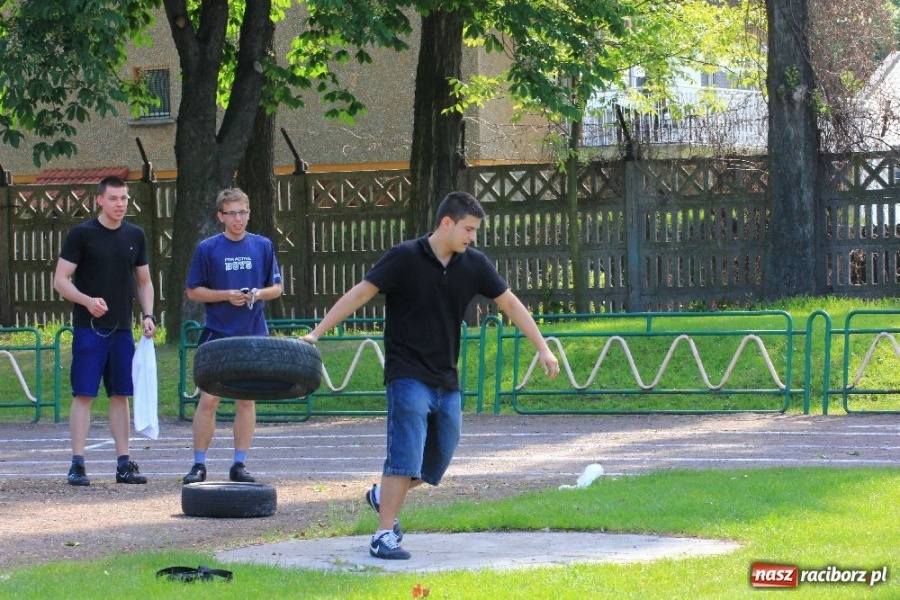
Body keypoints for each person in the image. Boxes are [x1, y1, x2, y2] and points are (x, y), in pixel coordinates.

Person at [301, 191, 560, 560]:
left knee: (437, 460)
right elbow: (359, 294)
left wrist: (542, 347)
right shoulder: (404, 257)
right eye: (469, 229)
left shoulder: (474, 264)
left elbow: (510, 303)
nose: (473, 237)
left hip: (446, 378)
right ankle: (383, 535)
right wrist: (316, 333)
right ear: (447, 223)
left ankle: (380, 496)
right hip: (406, 372)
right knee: (405, 454)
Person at [53, 176, 157, 486]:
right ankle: (77, 464)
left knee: (120, 395)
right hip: (90, 330)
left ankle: (124, 463)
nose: (120, 204)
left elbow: (144, 282)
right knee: (84, 394)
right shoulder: (81, 234)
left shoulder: (135, 235)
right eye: (114, 198)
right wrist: (86, 301)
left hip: (123, 329)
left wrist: (149, 315)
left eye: (124, 198)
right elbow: (60, 280)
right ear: (100, 200)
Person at [182, 188, 283, 484]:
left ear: (249, 213)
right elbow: (193, 290)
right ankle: (199, 464)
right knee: (209, 399)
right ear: (220, 216)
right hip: (218, 332)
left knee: (246, 400)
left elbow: (275, 288)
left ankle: (240, 464)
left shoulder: (263, 245)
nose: (237, 219)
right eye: (231, 213)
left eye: (242, 212)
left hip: (253, 332)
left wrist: (256, 294)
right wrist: (225, 296)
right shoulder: (208, 248)